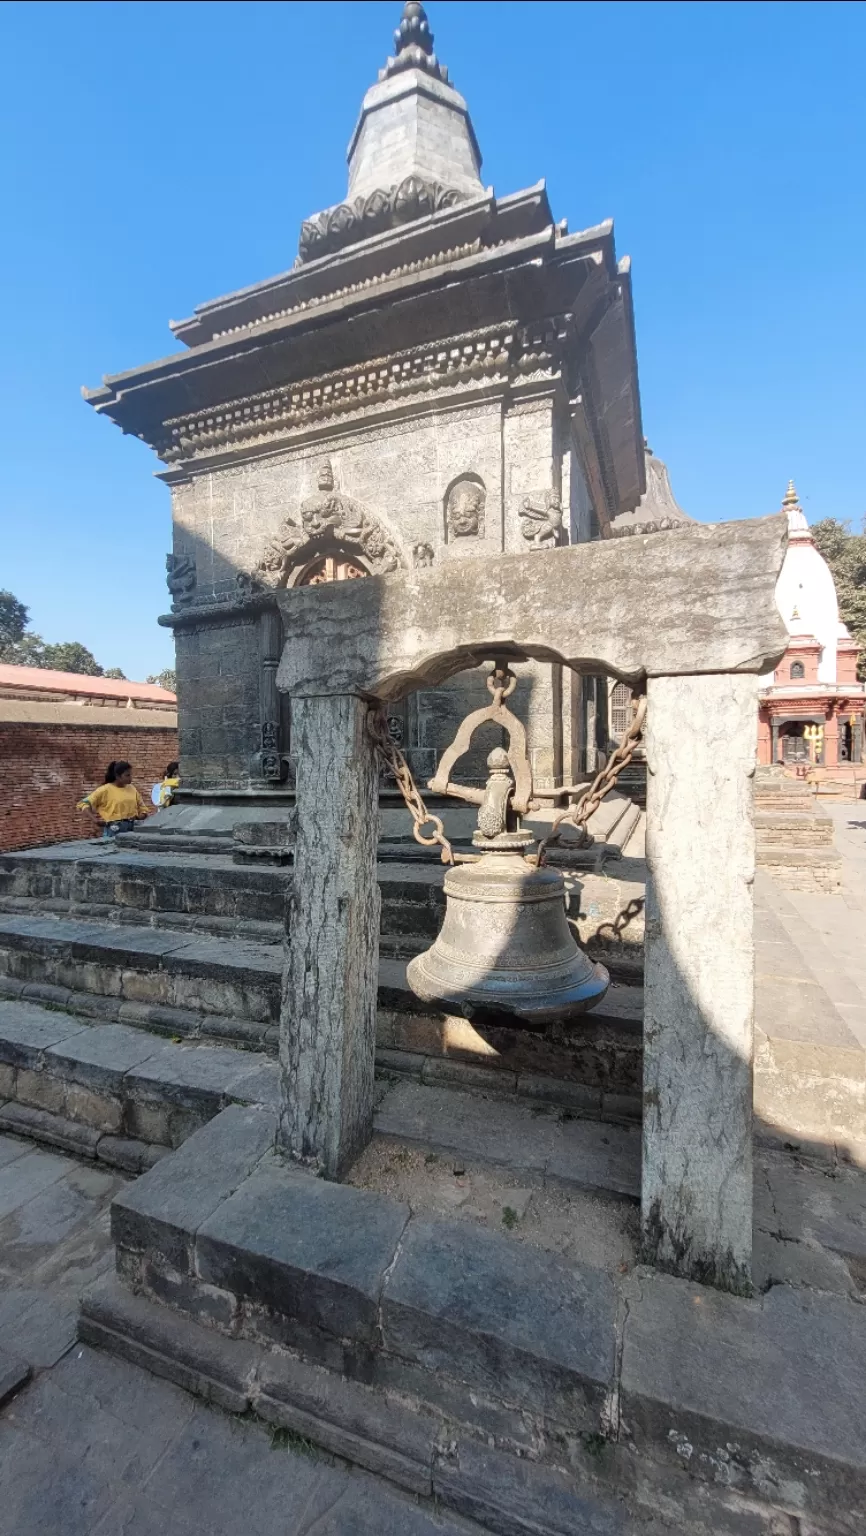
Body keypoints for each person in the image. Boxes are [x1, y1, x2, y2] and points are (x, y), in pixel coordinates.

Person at [77, 761, 150, 840]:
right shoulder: (104, 790)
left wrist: (139, 817)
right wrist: (95, 820)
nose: (130, 778)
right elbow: (83, 804)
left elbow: (143, 808)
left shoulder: (132, 789)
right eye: (127, 775)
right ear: (118, 776)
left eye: (131, 775)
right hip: (114, 830)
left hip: (133, 828)